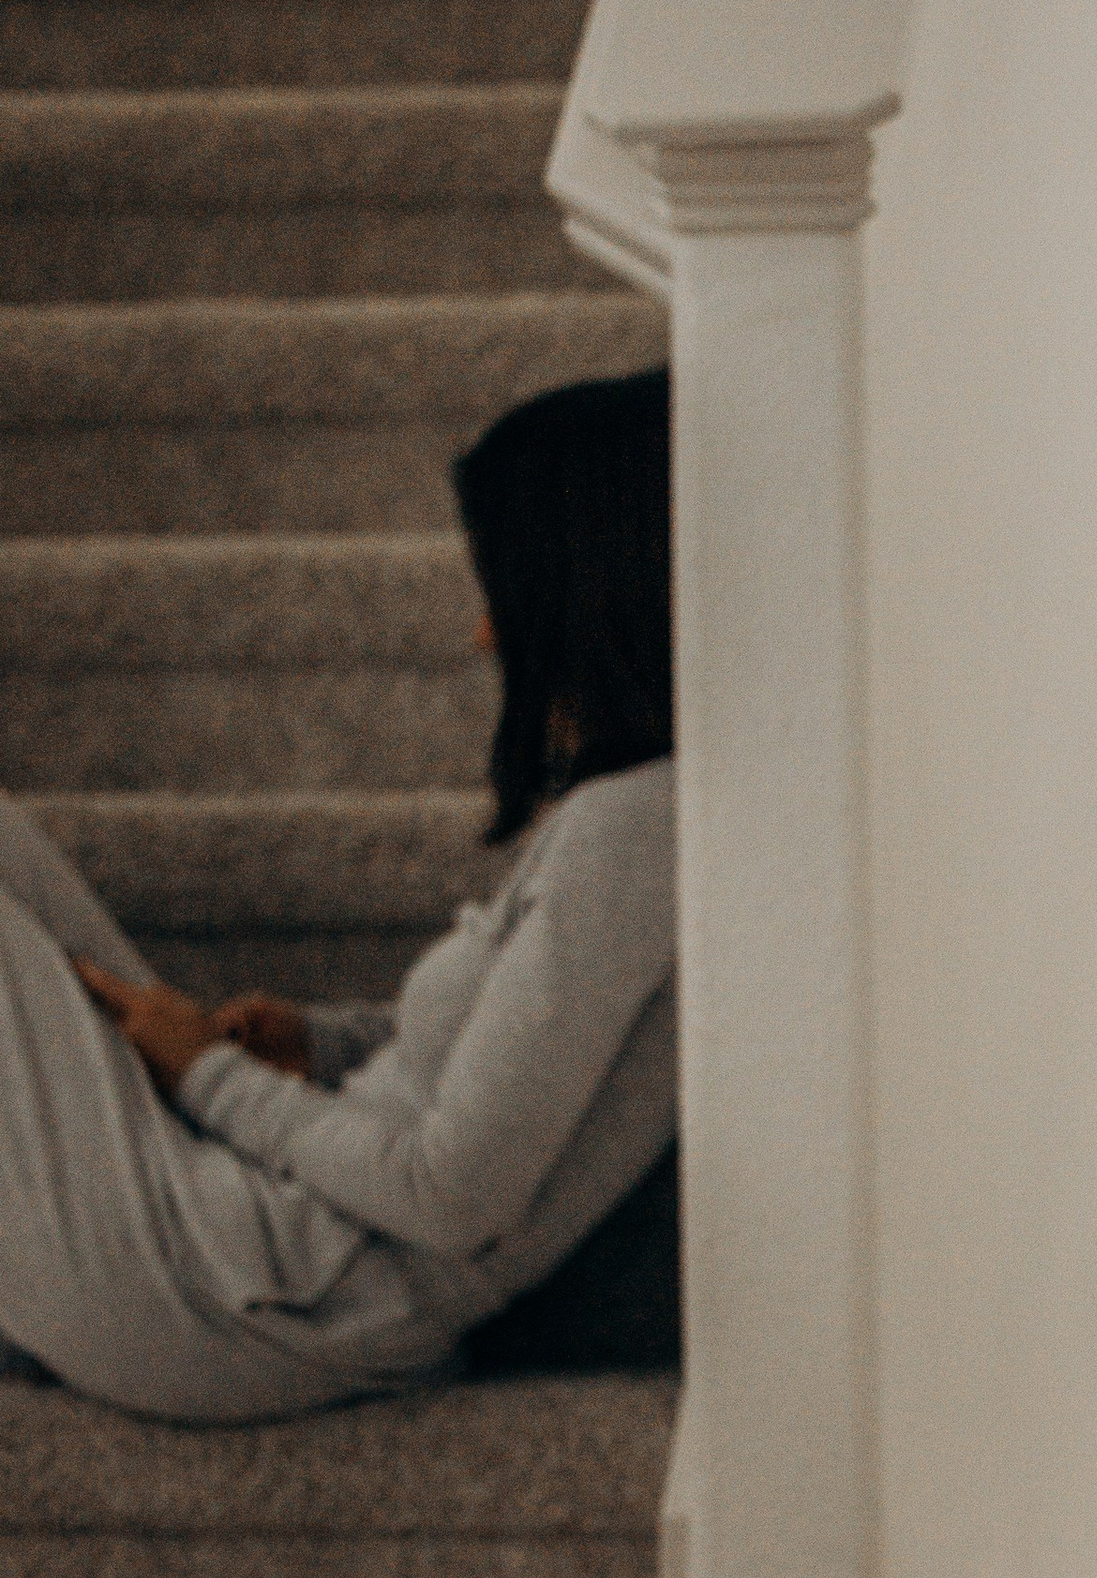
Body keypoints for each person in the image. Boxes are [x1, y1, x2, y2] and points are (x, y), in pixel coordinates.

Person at [0, 366, 676, 1426]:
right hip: (281, 1258)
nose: (486, 635)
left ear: (589, 586)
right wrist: (321, 1046)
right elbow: (481, 1084)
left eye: (505, 587)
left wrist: (211, 1076)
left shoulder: (637, 832)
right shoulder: (639, 819)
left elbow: (449, 1195)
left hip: (263, 1302)